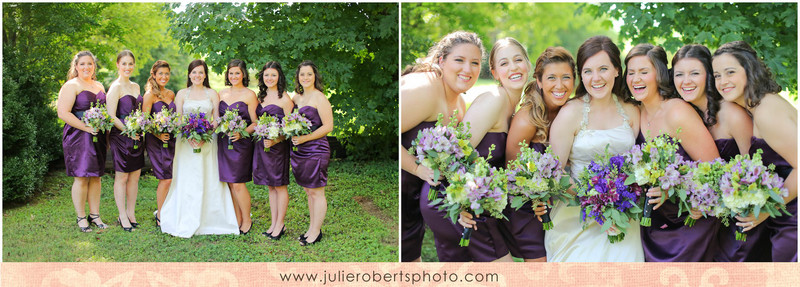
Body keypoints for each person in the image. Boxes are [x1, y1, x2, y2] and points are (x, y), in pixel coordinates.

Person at [546, 36, 643, 262]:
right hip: (576, 215)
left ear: (617, 70)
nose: (596, 78)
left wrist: (618, 205)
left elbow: (639, 164)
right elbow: (554, 173)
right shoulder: (570, 112)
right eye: (588, 71)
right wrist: (596, 202)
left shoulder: (631, 110)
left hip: (624, 216)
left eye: (603, 69)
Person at [625, 43, 720, 262]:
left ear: (658, 74)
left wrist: (673, 189)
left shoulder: (677, 111)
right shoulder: (635, 113)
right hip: (654, 224)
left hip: (691, 223)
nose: (636, 79)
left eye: (643, 72)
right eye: (631, 73)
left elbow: (715, 169)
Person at [671, 45, 762, 261]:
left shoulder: (732, 115)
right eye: (679, 75)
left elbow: (756, 170)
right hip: (711, 224)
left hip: (742, 224)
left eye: (695, 73)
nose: (686, 81)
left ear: (709, 77)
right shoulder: (687, 114)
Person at [712, 41, 797, 262]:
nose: (722, 81)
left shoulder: (767, 111)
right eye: (717, 75)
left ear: (749, 69)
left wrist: (768, 210)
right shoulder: (756, 107)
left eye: (730, 72)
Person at [399, 31, 477, 261]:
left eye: (475, 63)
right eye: (459, 60)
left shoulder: (460, 103)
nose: (468, 69)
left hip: (416, 196)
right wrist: (416, 169)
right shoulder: (424, 89)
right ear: (442, 60)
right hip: (402, 189)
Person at [454, 37, 531, 263]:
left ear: (528, 64)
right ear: (495, 72)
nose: (514, 67)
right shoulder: (494, 100)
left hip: (481, 206)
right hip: (462, 208)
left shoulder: (515, 109)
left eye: (518, 60)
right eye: (504, 63)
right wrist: (459, 203)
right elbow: (455, 153)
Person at [500, 46, 576, 262]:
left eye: (566, 78)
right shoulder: (527, 119)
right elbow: (512, 173)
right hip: (526, 207)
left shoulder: (570, 110)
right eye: (551, 78)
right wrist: (536, 196)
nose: (560, 85)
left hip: (555, 205)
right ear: (540, 81)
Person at [159, 59, 239, 238]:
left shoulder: (212, 93)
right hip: (185, 143)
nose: (197, 76)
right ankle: (185, 216)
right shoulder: (181, 94)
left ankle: (210, 218)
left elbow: (217, 118)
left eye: (201, 73)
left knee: (207, 175)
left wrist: (205, 134)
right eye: (194, 72)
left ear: (205, 75)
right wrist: (189, 134)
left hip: (208, 141)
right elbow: (178, 119)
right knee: (187, 177)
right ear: (189, 74)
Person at [57, 50, 109, 233]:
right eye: (82, 64)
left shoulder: (100, 86)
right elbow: (63, 113)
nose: (86, 67)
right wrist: (86, 128)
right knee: (81, 176)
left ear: (94, 66)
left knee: (96, 176)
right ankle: (81, 217)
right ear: (76, 67)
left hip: (98, 136)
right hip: (78, 136)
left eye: (90, 64)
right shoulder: (72, 85)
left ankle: (95, 215)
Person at [290, 60, 333, 246]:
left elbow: (328, 127)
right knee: (309, 191)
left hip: (316, 149)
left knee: (317, 191)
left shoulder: (319, 98)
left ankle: (316, 232)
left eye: (309, 74)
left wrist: (305, 139)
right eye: (302, 74)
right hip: (300, 149)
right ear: (298, 77)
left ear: (315, 76)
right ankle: (311, 228)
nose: (305, 78)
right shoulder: (296, 98)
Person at [254, 61, 294, 240]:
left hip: (278, 148)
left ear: (279, 77)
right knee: (270, 185)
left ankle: (281, 224)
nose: (269, 78)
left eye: (273, 75)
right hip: (263, 147)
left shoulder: (285, 99)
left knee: (280, 185)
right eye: (266, 75)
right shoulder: (260, 97)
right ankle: (273, 222)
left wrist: (277, 139)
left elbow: (291, 128)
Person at [217, 59, 258, 235]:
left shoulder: (250, 95)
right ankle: (237, 218)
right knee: (230, 184)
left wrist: (241, 133)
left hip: (241, 144)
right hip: (224, 143)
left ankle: (247, 219)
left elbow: (256, 123)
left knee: (239, 183)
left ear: (243, 75)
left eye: (237, 73)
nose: (234, 76)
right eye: (231, 73)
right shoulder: (221, 94)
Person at [105, 50, 144, 231]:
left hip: (137, 135)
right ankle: (122, 216)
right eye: (124, 64)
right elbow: (111, 116)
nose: (128, 67)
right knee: (122, 176)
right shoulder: (115, 87)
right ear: (118, 65)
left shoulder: (136, 87)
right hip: (121, 136)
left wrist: (140, 127)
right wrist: (128, 130)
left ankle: (131, 212)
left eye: (130, 63)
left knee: (135, 176)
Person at [142, 60, 176, 228]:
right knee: (165, 178)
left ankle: (168, 209)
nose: (164, 77)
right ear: (154, 75)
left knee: (171, 176)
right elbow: (144, 121)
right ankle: (161, 215)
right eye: (160, 74)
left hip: (171, 140)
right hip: (156, 141)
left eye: (166, 74)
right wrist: (157, 133)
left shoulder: (171, 94)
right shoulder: (149, 95)